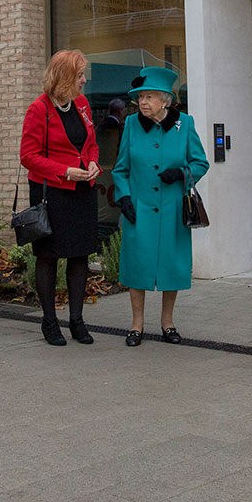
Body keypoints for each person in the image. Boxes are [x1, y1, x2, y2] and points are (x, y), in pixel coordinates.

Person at [113, 66, 208, 347]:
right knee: (137, 266)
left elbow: (201, 162)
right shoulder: (131, 125)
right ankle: (136, 325)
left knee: (171, 266)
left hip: (171, 210)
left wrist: (181, 174)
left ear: (165, 100)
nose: (143, 102)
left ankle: (168, 323)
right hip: (139, 209)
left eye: (150, 97)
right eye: (141, 97)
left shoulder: (185, 125)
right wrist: (124, 197)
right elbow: (120, 169)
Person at [19, 50, 100, 346]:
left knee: (80, 255)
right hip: (50, 192)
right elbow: (28, 156)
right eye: (80, 75)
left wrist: (92, 163)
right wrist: (65, 171)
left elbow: (90, 143)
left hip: (81, 190)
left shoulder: (82, 104)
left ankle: (77, 321)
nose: (84, 80)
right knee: (49, 256)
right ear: (65, 77)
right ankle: (49, 322)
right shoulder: (39, 109)